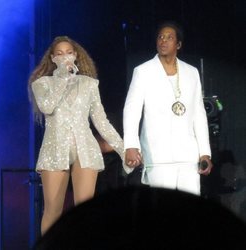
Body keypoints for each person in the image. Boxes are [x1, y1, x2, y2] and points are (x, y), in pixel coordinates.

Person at [28, 36, 128, 235]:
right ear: (53, 59)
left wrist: (123, 149)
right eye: (59, 53)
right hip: (55, 150)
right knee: (53, 211)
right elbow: (46, 107)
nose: (65, 57)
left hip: (86, 149)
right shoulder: (42, 83)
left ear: (75, 56)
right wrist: (63, 80)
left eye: (69, 52)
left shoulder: (90, 84)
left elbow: (101, 121)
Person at [123, 21, 213, 196]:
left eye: (169, 37)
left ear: (178, 44)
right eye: (160, 37)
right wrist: (131, 145)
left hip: (188, 154)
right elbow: (131, 110)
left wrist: (204, 153)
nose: (163, 41)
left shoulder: (191, 72)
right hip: (158, 154)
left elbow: (199, 114)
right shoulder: (143, 71)